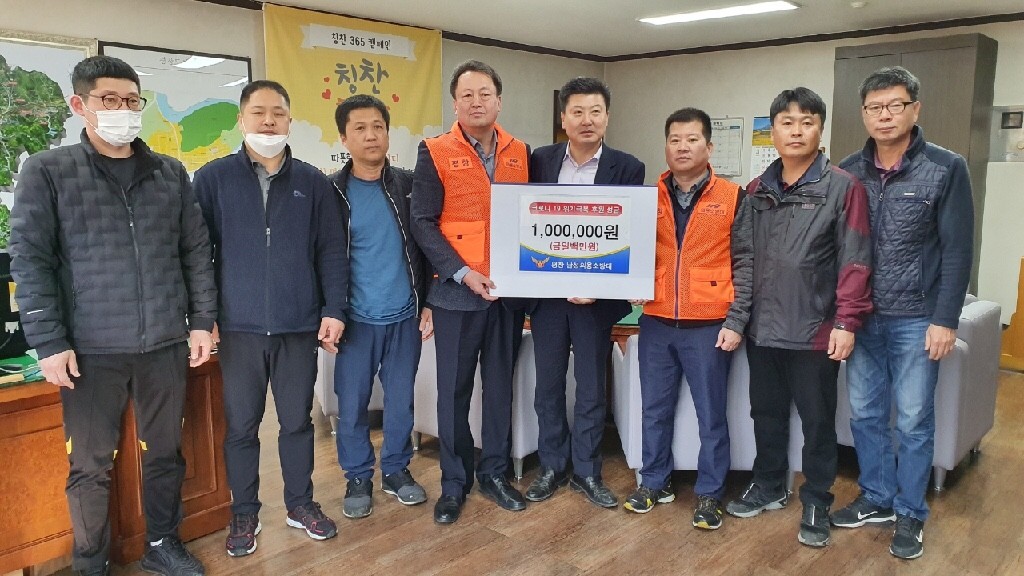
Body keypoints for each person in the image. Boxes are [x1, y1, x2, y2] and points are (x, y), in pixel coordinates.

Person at [9, 55, 215, 576]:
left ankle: (163, 543)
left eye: (131, 100)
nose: (123, 109)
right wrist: (48, 341)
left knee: (165, 453)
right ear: (80, 105)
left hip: (164, 341)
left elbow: (194, 251)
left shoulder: (169, 173)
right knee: (90, 465)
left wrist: (201, 320)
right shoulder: (48, 171)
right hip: (90, 348)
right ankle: (91, 563)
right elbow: (30, 260)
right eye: (109, 99)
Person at [193, 80, 346, 557]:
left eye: (277, 112)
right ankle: (244, 512)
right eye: (258, 112)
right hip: (237, 328)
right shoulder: (213, 179)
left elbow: (331, 252)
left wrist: (334, 309)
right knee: (241, 426)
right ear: (241, 119)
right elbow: (196, 253)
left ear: (289, 120)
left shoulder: (313, 182)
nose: (268, 121)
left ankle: (300, 504)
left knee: (297, 423)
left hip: (298, 325)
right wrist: (202, 315)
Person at [831, 66, 973, 560]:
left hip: (917, 317)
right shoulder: (849, 170)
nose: (885, 115)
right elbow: (841, 248)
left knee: (913, 419)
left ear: (915, 109)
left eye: (895, 105)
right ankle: (876, 497)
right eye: (875, 107)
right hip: (863, 316)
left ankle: (910, 511)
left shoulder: (945, 167)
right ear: (863, 114)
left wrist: (945, 318)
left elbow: (958, 250)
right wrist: (842, 315)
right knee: (866, 414)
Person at [724, 87, 873, 548]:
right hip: (763, 329)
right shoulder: (756, 190)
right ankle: (769, 484)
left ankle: (816, 500)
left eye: (806, 122)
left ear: (819, 130)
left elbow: (855, 260)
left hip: (815, 332)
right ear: (773, 132)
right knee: (765, 413)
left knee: (818, 423)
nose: (796, 131)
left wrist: (846, 322)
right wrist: (740, 319)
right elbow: (743, 258)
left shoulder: (843, 187)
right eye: (786, 123)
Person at [411, 60, 530, 525]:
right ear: (455, 103)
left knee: (499, 389)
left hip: (507, 296)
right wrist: (462, 273)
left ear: (499, 100)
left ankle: (495, 474)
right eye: (467, 95)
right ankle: (454, 482)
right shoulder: (434, 150)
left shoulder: (522, 152)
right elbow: (423, 222)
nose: (476, 102)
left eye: (485, 94)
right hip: (456, 297)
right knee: (454, 392)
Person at [622, 108, 750, 532]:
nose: (682, 147)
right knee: (654, 410)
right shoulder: (647, 197)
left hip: (710, 325)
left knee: (711, 415)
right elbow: (631, 251)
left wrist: (736, 321)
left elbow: (746, 263)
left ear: (708, 147)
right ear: (666, 146)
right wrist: (631, 283)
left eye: (692, 139)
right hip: (657, 321)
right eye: (675, 139)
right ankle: (653, 482)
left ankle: (710, 493)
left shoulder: (733, 197)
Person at [523, 77, 644, 510]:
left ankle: (587, 472)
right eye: (577, 112)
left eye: (595, 112)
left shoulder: (628, 167)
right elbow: (529, 222)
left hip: (596, 302)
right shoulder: (539, 160)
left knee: (592, 389)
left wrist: (600, 285)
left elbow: (627, 233)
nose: (586, 120)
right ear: (564, 119)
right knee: (548, 387)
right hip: (548, 298)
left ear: (607, 117)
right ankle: (552, 466)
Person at [328, 94, 433, 519]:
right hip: (355, 320)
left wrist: (428, 302)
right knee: (352, 404)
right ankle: (357, 476)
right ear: (344, 138)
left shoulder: (409, 185)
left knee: (401, 401)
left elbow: (427, 245)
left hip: (405, 316)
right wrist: (328, 312)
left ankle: (395, 470)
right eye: (360, 128)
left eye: (378, 127)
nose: (371, 136)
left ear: (388, 133)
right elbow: (321, 257)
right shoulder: (332, 192)